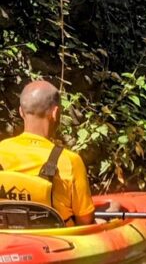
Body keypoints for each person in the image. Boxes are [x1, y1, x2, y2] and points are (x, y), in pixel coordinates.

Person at [0, 80, 95, 225]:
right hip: (56, 237)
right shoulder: (69, 161)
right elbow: (85, 220)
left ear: (21, 112)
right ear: (55, 113)